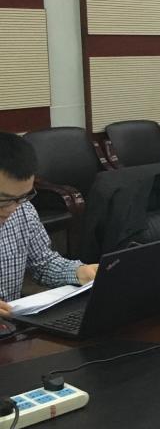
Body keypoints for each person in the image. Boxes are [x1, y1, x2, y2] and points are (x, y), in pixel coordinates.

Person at [0, 132, 97, 312]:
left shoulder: (23, 210)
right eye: (4, 200)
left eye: (22, 196)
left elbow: (43, 263)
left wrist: (79, 273)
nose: (12, 208)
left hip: (11, 322)